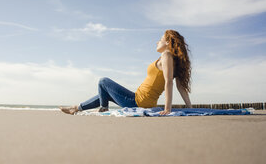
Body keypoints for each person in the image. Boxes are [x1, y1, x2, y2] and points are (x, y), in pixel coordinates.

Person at [59, 30, 192, 116]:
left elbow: (169, 82)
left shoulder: (166, 55)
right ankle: (76, 108)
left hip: (139, 101)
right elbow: (181, 87)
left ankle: (103, 108)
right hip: (140, 99)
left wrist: (167, 108)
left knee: (103, 81)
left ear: (168, 42)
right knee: (104, 93)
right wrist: (189, 107)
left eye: (160, 39)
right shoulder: (173, 60)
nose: (157, 42)